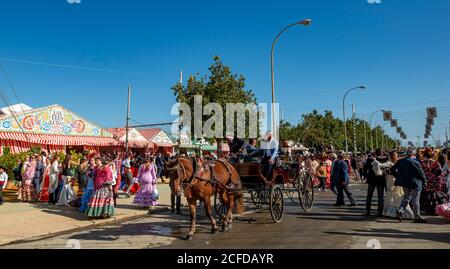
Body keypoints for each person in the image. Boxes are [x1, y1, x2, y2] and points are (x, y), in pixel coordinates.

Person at [390, 149, 427, 223]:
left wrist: (398, 176)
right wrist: (425, 181)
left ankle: (400, 211)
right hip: (415, 183)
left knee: (406, 198)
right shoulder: (415, 162)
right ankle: (417, 217)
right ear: (413, 154)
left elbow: (392, 169)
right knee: (415, 200)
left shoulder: (400, 161)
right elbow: (421, 173)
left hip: (405, 183)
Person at [380, 151, 414, 219]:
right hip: (395, 179)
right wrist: (386, 171)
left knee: (393, 194)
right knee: (397, 194)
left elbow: (380, 166)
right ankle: (400, 210)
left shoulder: (391, 162)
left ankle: (392, 211)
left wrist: (385, 172)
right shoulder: (394, 162)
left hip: (391, 179)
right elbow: (381, 166)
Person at [419, 148, 449, 214]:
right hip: (434, 181)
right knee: (433, 195)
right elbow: (441, 171)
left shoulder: (421, 163)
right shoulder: (435, 162)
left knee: (425, 195)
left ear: (425, 155)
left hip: (425, 181)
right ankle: (434, 209)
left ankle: (425, 209)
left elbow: (419, 172)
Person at [364, 151, 386, 217]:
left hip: (371, 180)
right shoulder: (385, 159)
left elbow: (365, 168)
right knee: (380, 197)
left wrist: (365, 176)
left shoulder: (370, 159)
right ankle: (380, 212)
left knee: (369, 196)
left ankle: (368, 211)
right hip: (381, 179)